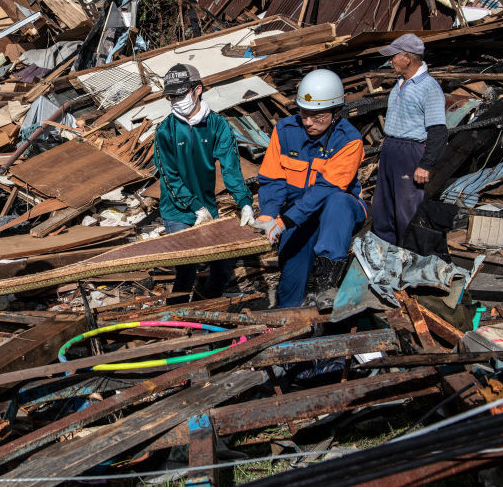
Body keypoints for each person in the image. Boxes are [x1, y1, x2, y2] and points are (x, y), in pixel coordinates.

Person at [252, 69, 367, 309]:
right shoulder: (284, 131)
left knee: (337, 201)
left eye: (317, 116)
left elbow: (327, 188)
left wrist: (284, 222)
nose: (308, 122)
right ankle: (288, 323)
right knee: (291, 281)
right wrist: (268, 214)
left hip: (337, 214)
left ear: (336, 112)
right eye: (304, 113)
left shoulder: (349, 140)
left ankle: (327, 282)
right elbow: (273, 179)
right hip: (298, 216)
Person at [153, 64, 257, 302]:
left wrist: (244, 202)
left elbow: (231, 169)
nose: (175, 101)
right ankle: (176, 317)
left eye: (180, 94)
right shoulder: (165, 131)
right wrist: (194, 207)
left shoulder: (218, 126)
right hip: (177, 210)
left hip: (207, 206)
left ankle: (205, 306)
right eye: (171, 96)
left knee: (222, 267)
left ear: (197, 89)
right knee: (186, 268)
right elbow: (170, 178)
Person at [370, 33, 448, 246]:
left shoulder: (429, 87)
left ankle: (410, 259)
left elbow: (438, 131)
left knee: (407, 210)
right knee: (383, 207)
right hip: (392, 149)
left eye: (394, 56)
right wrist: (385, 152)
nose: (390, 61)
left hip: (411, 152)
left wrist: (426, 164)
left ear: (407, 58)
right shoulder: (401, 83)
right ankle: (385, 256)